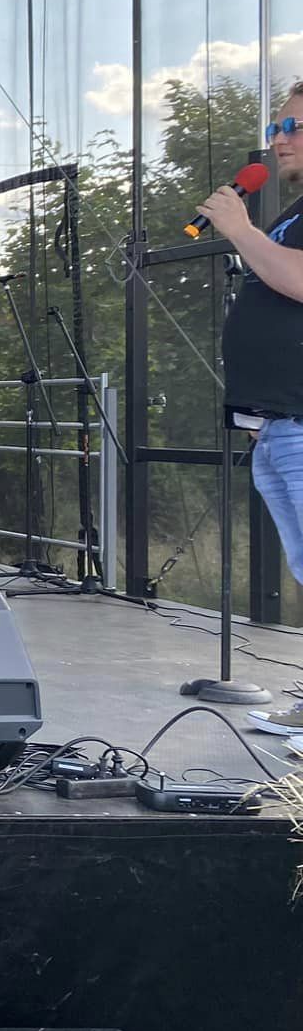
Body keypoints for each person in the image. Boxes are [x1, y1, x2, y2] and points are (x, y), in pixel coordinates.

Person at [200, 96, 303, 737]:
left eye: (293, 126)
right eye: (275, 127)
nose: (279, 139)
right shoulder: (294, 215)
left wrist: (242, 230)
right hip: (279, 423)